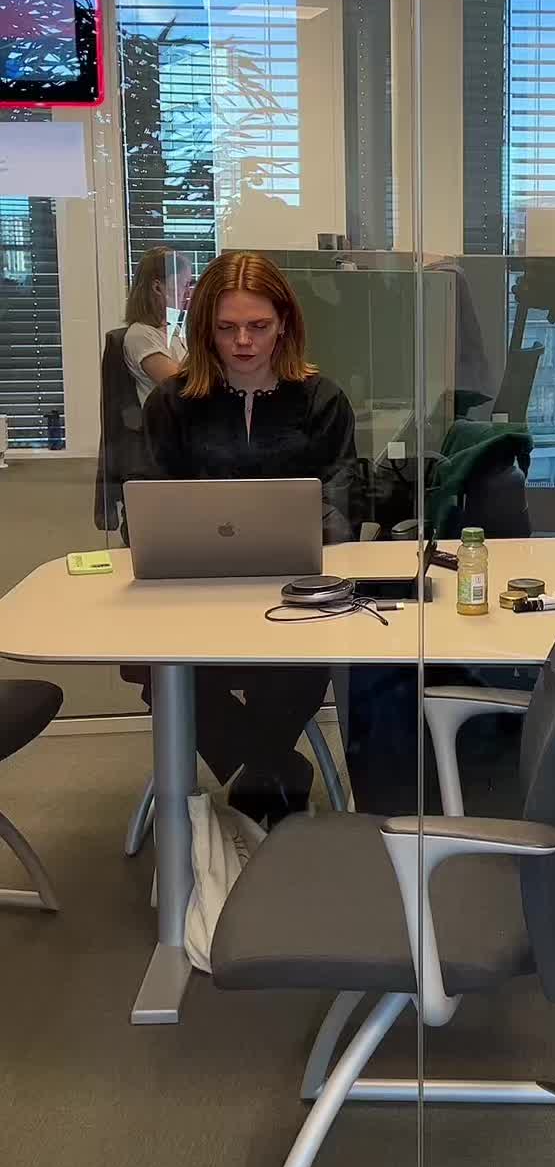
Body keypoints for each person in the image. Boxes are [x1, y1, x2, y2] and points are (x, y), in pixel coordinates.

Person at [142, 250, 359, 825]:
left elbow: (343, 506)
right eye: (227, 328)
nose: (243, 341)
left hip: (294, 593)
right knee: (160, 672)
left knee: (293, 667)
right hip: (192, 593)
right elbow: (146, 507)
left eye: (258, 326)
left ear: (284, 323)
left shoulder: (321, 400)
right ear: (204, 329)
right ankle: (272, 772)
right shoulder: (172, 403)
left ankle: (254, 777)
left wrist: (306, 529)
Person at [122, 246, 193, 407]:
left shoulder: (173, 329)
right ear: (157, 288)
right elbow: (180, 388)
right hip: (170, 420)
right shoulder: (140, 334)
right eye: (184, 285)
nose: (187, 293)